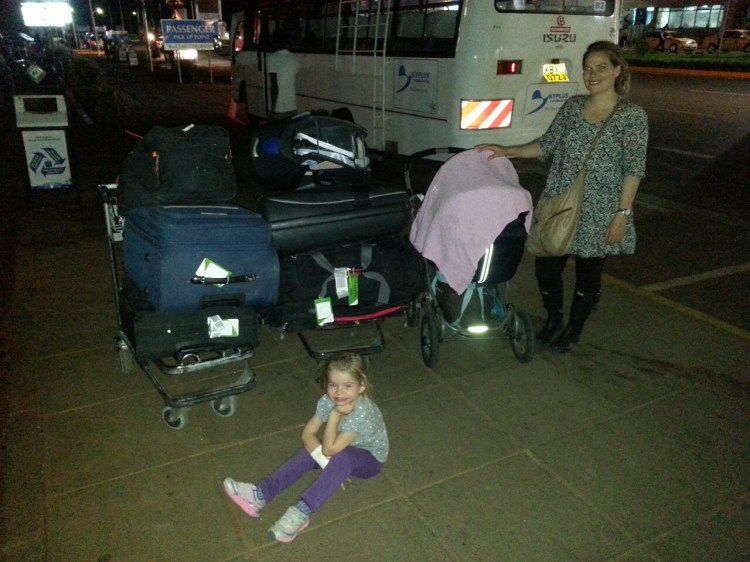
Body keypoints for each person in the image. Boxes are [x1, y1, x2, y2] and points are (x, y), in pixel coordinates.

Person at [477, 41, 648, 353]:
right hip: (560, 201)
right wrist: (507, 150)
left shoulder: (632, 116)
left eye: (601, 67)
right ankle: (554, 319)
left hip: (601, 208)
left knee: (588, 273)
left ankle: (573, 329)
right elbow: (546, 144)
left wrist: (622, 214)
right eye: (587, 68)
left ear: (617, 70)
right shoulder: (572, 107)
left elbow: (633, 170)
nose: (592, 75)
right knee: (546, 266)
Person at [222, 352, 389, 543]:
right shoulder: (328, 401)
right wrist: (329, 465)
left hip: (369, 460)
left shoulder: (362, 412)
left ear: (361, 386)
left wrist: (334, 416)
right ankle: (260, 494)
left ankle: (301, 512)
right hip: (339, 449)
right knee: (307, 453)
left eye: (347, 386)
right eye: (333, 385)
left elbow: (329, 450)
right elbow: (307, 434)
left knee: (343, 457)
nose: (339, 392)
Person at [265, 29, 300, 120]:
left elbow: (274, 85)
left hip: (279, 108)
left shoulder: (272, 58)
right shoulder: (294, 58)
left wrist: (273, 108)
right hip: (292, 106)